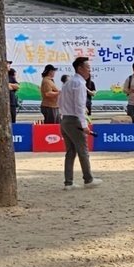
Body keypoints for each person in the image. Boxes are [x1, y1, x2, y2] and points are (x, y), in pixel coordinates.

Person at [59, 56, 99, 189]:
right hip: (74, 119)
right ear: (80, 68)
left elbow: (61, 102)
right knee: (83, 150)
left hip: (64, 119)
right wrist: (84, 125)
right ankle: (88, 179)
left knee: (70, 151)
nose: (90, 71)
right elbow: (80, 107)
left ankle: (68, 182)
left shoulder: (67, 83)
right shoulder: (79, 84)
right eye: (88, 68)